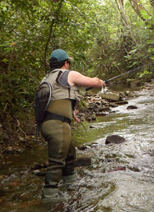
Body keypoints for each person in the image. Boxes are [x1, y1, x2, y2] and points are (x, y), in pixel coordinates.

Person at [40, 49, 105, 198]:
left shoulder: (46, 78)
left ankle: (71, 182)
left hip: (47, 125)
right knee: (57, 161)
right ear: (66, 63)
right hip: (58, 126)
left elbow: (56, 100)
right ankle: (50, 194)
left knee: (69, 154)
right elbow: (93, 82)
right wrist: (100, 82)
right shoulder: (68, 74)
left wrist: (72, 113)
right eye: (68, 63)